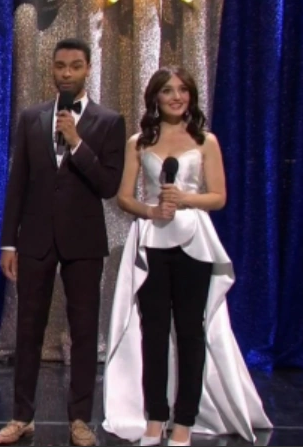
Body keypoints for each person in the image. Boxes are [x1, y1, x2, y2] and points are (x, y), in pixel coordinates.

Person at [101, 66, 272, 446]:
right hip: (152, 242)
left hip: (195, 242)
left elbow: (219, 197)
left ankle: (184, 423)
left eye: (182, 90)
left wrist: (185, 199)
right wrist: (151, 210)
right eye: (167, 90)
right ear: (155, 98)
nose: (176, 97)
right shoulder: (139, 142)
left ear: (191, 96)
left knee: (191, 332)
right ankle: (155, 418)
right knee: (153, 332)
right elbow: (124, 197)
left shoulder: (205, 141)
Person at [0, 37, 126, 446]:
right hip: (35, 239)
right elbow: (18, 184)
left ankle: (80, 420)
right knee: (28, 329)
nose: (66, 73)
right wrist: (8, 242)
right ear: (52, 69)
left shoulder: (109, 122)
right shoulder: (32, 117)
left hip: (84, 242)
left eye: (75, 66)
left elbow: (108, 186)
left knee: (84, 331)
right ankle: (22, 416)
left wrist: (76, 142)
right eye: (60, 66)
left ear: (88, 69)